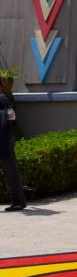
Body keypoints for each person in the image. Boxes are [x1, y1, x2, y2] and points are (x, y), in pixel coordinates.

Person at [0, 75, 27, 211]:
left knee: (11, 171)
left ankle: (18, 202)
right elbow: (12, 118)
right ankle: (18, 201)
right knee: (11, 171)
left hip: (4, 141)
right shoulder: (4, 98)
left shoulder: (2, 98)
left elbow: (11, 117)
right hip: (5, 139)